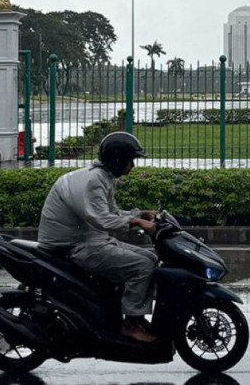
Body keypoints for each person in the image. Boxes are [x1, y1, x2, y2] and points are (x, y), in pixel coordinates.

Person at [37, 131, 160, 343]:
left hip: (89, 239)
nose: (133, 166)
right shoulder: (94, 181)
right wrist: (138, 222)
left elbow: (109, 213)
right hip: (76, 246)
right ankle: (129, 324)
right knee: (143, 266)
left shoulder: (100, 177)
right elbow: (103, 221)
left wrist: (140, 214)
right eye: (130, 160)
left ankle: (132, 316)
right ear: (117, 159)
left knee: (151, 259)